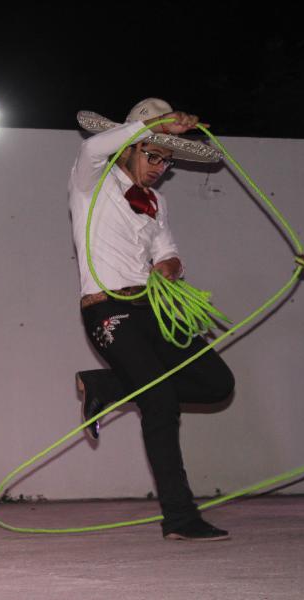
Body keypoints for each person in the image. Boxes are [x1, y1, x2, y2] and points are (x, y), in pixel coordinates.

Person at [68, 98, 235, 541]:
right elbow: (91, 148)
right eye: (153, 155)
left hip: (153, 309)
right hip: (108, 310)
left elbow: (169, 252)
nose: (160, 167)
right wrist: (157, 125)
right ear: (129, 148)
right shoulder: (91, 183)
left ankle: (107, 387)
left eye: (166, 159)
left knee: (217, 383)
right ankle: (179, 518)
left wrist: (169, 267)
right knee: (159, 402)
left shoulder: (156, 201)